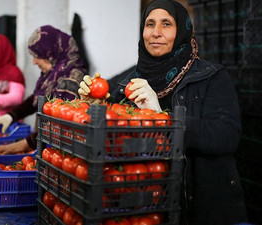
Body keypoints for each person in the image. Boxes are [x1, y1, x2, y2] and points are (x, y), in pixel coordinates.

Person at [78, 0, 248, 224]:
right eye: (150, 24)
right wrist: (95, 106)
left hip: (200, 209)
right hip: (144, 207)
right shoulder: (127, 81)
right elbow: (114, 136)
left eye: (166, 24)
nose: (156, 33)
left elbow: (226, 136)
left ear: (183, 31)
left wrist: (164, 118)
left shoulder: (212, 77)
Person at [0, 25, 88, 155]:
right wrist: (11, 115)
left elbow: (61, 126)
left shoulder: (73, 78)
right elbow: (37, 99)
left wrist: (26, 144)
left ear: (51, 53)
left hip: (59, 152)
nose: (34, 62)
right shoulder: (54, 74)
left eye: (37, 56)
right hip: (44, 145)